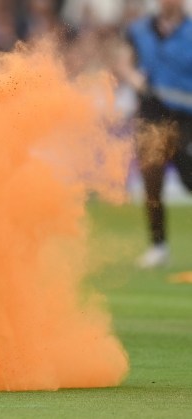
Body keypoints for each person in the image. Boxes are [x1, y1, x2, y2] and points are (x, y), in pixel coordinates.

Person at [114, 0, 192, 268]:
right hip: (151, 112)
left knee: (188, 176)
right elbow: (124, 63)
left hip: (184, 114)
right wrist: (135, 79)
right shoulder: (140, 30)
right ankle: (158, 247)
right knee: (151, 177)